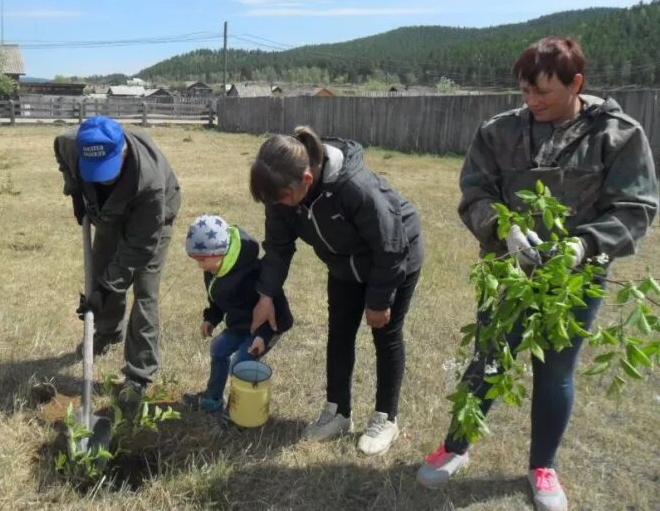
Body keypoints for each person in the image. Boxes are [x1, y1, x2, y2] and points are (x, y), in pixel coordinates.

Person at [416, 37, 658, 511]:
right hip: (507, 272)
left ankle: (542, 465)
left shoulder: (617, 135)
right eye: (526, 92)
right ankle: (457, 446)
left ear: (577, 84)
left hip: (575, 281)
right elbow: (475, 191)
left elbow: (636, 208)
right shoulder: (500, 132)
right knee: (489, 358)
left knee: (556, 371)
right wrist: (503, 229)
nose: (532, 102)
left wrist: (582, 244)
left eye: (543, 92)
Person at [250, 126, 424, 456]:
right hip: (345, 264)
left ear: (306, 180)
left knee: (385, 334)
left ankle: (386, 417)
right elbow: (277, 246)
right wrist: (266, 294)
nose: (279, 206)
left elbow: (390, 245)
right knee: (340, 334)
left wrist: (378, 300)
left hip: (394, 255)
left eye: (282, 199)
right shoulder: (282, 194)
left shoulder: (355, 187)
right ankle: (338, 412)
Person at [54, 115, 181, 400]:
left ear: (123, 151)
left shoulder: (150, 182)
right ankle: (109, 331)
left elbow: (137, 251)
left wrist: (108, 288)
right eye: (95, 171)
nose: (103, 177)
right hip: (109, 212)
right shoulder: (72, 143)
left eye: (108, 170)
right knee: (101, 268)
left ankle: (139, 373)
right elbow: (61, 152)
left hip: (152, 222)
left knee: (145, 290)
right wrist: (74, 190)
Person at [182, 214, 293, 412]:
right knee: (218, 348)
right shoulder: (215, 270)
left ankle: (240, 411)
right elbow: (217, 301)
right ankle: (213, 399)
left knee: (240, 364)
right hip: (239, 325)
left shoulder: (251, 271)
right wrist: (211, 319)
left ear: (219, 251)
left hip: (264, 328)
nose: (200, 266)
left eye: (202, 260)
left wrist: (263, 336)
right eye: (196, 261)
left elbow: (276, 305)